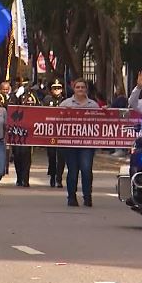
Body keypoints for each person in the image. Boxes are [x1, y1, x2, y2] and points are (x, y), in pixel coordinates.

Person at [60, 78, 101, 207]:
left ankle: (87, 197)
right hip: (70, 143)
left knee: (86, 169)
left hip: (87, 144)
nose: (80, 90)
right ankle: (71, 197)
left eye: (82, 87)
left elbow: (100, 123)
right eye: (78, 87)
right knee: (72, 171)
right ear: (74, 89)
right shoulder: (65, 103)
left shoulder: (93, 105)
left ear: (86, 89)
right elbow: (57, 121)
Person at [43, 78, 65, 188]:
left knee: (61, 157)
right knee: (51, 156)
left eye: (58, 88)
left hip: (62, 133)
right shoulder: (47, 100)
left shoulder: (65, 101)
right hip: (50, 133)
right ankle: (52, 175)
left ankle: (59, 178)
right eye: (54, 88)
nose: (56, 90)